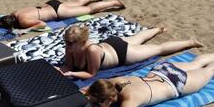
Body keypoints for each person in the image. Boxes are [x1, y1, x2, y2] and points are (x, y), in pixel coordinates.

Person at [84, 49, 214, 107]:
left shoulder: (129, 101)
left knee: (210, 70)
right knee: (196, 63)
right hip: (162, 71)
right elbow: (89, 90)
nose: (97, 105)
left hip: (176, 83)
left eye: (98, 102)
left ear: (110, 99)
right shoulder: (114, 81)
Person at [57, 25, 203, 79]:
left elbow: (91, 74)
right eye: (66, 41)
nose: (66, 45)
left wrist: (72, 74)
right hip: (110, 44)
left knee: (158, 49)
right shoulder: (70, 47)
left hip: (123, 54)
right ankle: (157, 29)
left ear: (81, 42)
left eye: (70, 43)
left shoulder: (92, 50)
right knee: (137, 37)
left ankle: (190, 42)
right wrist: (60, 70)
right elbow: (69, 66)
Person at [0, 0, 125, 30]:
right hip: (50, 4)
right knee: (78, 3)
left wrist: (27, 29)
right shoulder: (15, 12)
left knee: (89, 10)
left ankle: (114, 2)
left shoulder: (23, 21)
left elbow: (42, 24)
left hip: (58, 12)